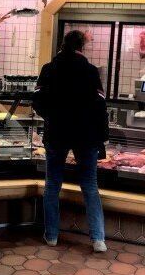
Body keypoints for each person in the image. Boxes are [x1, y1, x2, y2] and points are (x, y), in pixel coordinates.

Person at [33, 29, 108, 252]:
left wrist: (52, 117)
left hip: (57, 133)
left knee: (52, 184)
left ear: (62, 45)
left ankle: (52, 235)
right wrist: (99, 135)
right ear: (81, 47)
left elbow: (37, 100)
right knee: (90, 185)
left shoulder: (49, 68)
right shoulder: (90, 71)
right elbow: (101, 105)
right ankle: (98, 239)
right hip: (86, 135)